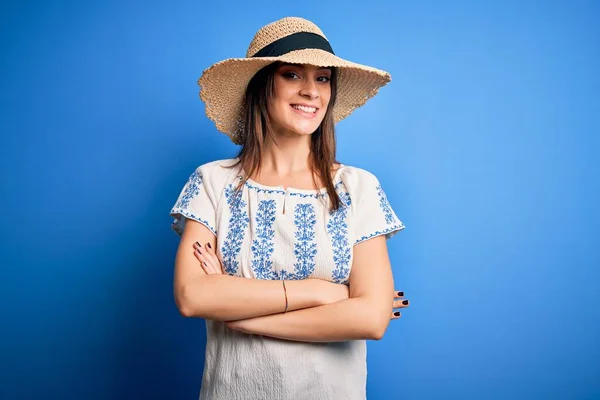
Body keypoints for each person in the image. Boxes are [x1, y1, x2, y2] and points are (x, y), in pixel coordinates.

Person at [169, 16, 409, 400]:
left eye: (323, 78)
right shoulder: (212, 182)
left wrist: (241, 316)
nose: (311, 91)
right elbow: (192, 297)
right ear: (263, 85)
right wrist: (322, 292)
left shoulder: (359, 187)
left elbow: (370, 318)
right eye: (293, 75)